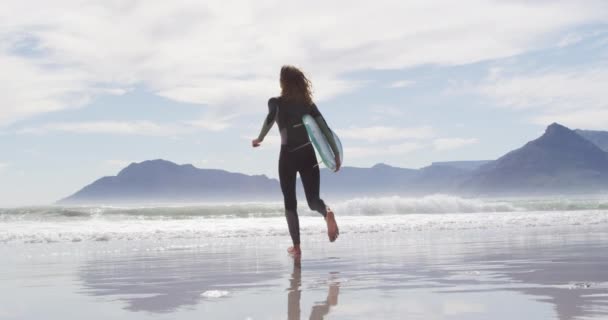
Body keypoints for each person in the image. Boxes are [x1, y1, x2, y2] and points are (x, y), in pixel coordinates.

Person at [252, 65, 340, 257]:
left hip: (288, 155)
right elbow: (324, 128)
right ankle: (327, 212)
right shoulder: (308, 104)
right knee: (313, 200)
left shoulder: (275, 102)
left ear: (283, 83)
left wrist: (260, 138)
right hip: (307, 153)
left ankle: (297, 248)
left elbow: (270, 118)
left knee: (290, 203)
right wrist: (335, 154)